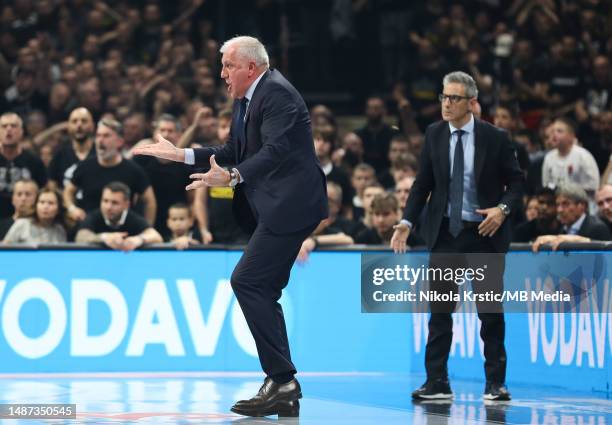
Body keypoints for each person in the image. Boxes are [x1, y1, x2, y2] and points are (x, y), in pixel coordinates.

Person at [133, 36, 327, 418]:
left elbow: (273, 152)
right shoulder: (246, 99)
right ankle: (283, 384)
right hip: (276, 207)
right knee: (261, 286)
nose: (221, 74)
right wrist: (182, 155)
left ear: (250, 68)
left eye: (227, 66)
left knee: (248, 281)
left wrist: (233, 176)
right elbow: (231, 151)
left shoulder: (277, 95)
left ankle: (283, 381)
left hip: (291, 206)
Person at [391, 71, 523, 401]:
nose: (446, 104)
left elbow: (518, 183)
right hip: (445, 235)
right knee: (439, 313)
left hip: (483, 234)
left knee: (490, 313)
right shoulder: (434, 134)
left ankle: (495, 382)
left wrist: (501, 210)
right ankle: (437, 381)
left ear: (471, 103)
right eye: (444, 97)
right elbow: (422, 184)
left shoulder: (495, 137)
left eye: (454, 98)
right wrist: (406, 222)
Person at [63, 119, 156, 225]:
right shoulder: (84, 166)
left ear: (119, 141)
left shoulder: (133, 170)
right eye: (98, 136)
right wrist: (72, 208)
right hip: (90, 230)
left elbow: (150, 201)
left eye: (106, 136)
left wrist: (147, 227)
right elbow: (68, 191)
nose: (100, 140)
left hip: (123, 233)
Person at [75, 182, 162, 251]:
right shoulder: (94, 216)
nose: (108, 207)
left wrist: (138, 239)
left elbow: (156, 236)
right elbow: (80, 237)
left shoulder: (133, 218)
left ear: (126, 205)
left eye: (115, 203)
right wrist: (105, 237)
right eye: (105, 201)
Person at [0, 112, 47, 219]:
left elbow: (42, 190)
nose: (9, 129)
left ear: (21, 132)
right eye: (4, 126)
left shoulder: (34, 161)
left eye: (13, 126)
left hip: (26, 218)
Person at [48, 107, 96, 190]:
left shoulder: (99, 154)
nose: (79, 125)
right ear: (68, 126)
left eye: (84, 121)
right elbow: (52, 186)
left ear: (92, 126)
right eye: (74, 121)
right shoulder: (59, 155)